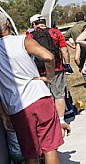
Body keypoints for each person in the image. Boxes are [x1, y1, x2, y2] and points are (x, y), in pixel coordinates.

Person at [0, 11, 66, 164]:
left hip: (17, 107)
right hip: (40, 96)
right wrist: (49, 76)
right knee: (50, 147)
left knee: (31, 153)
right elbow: (49, 56)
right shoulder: (23, 41)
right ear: (8, 24)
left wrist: (3, 114)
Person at [27, 14, 71, 134]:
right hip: (57, 68)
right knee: (59, 95)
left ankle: (50, 120)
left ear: (33, 24)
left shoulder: (29, 36)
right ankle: (61, 120)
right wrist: (67, 64)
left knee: (46, 96)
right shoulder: (55, 32)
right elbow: (64, 49)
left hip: (40, 71)